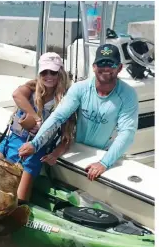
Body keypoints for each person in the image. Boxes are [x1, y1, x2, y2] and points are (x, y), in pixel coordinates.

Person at [19, 44, 139, 181]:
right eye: (101, 63)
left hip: (104, 152)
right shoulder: (80, 88)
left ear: (120, 68)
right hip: (77, 146)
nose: (106, 68)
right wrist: (35, 144)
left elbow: (127, 133)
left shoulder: (128, 95)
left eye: (111, 64)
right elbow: (58, 117)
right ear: (94, 67)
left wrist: (104, 163)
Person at [0, 52, 76, 200]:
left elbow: (67, 136)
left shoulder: (65, 102)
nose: (48, 76)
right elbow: (17, 95)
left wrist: (55, 154)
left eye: (53, 72)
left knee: (19, 199)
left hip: (34, 152)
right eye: (44, 72)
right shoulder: (32, 87)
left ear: (60, 73)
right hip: (10, 143)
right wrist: (36, 118)